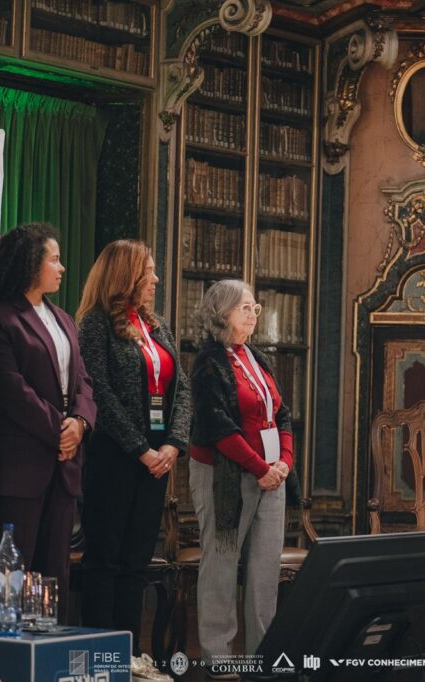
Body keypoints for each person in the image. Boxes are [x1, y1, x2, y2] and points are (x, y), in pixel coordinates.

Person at [0, 223, 96, 625]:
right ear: (29, 264)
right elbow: (11, 390)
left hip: (60, 467)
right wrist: (60, 430)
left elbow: (83, 381)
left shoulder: (63, 319)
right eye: (54, 260)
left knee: (50, 580)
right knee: (6, 582)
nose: (62, 267)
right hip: (13, 468)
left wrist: (80, 423)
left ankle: (44, 654)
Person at [76, 240, 189, 682]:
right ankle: (100, 659)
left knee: (136, 562)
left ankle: (129, 654)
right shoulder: (95, 324)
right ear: (125, 275)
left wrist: (173, 444)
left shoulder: (156, 326)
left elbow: (182, 390)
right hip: (115, 458)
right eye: (149, 272)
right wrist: (140, 448)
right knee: (105, 561)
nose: (156, 280)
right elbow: (98, 394)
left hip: (158, 460)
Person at [188, 279, 294, 681]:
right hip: (226, 477)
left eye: (255, 307)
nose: (253, 314)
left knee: (265, 570)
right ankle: (218, 657)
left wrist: (283, 463)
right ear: (222, 314)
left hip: (271, 477)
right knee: (221, 565)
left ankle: (261, 657)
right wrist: (260, 468)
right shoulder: (208, 362)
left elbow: (282, 414)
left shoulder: (256, 356)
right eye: (244, 308)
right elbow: (219, 428)